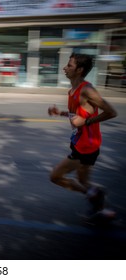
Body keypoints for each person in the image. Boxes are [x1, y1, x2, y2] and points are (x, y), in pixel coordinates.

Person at [48, 53, 117, 221]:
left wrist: (86, 122)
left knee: (55, 177)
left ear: (79, 70)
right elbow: (77, 114)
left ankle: (94, 195)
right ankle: (101, 208)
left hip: (86, 146)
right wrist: (61, 113)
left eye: (69, 65)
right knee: (83, 181)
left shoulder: (87, 90)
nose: (65, 67)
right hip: (82, 142)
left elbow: (111, 112)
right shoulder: (73, 90)